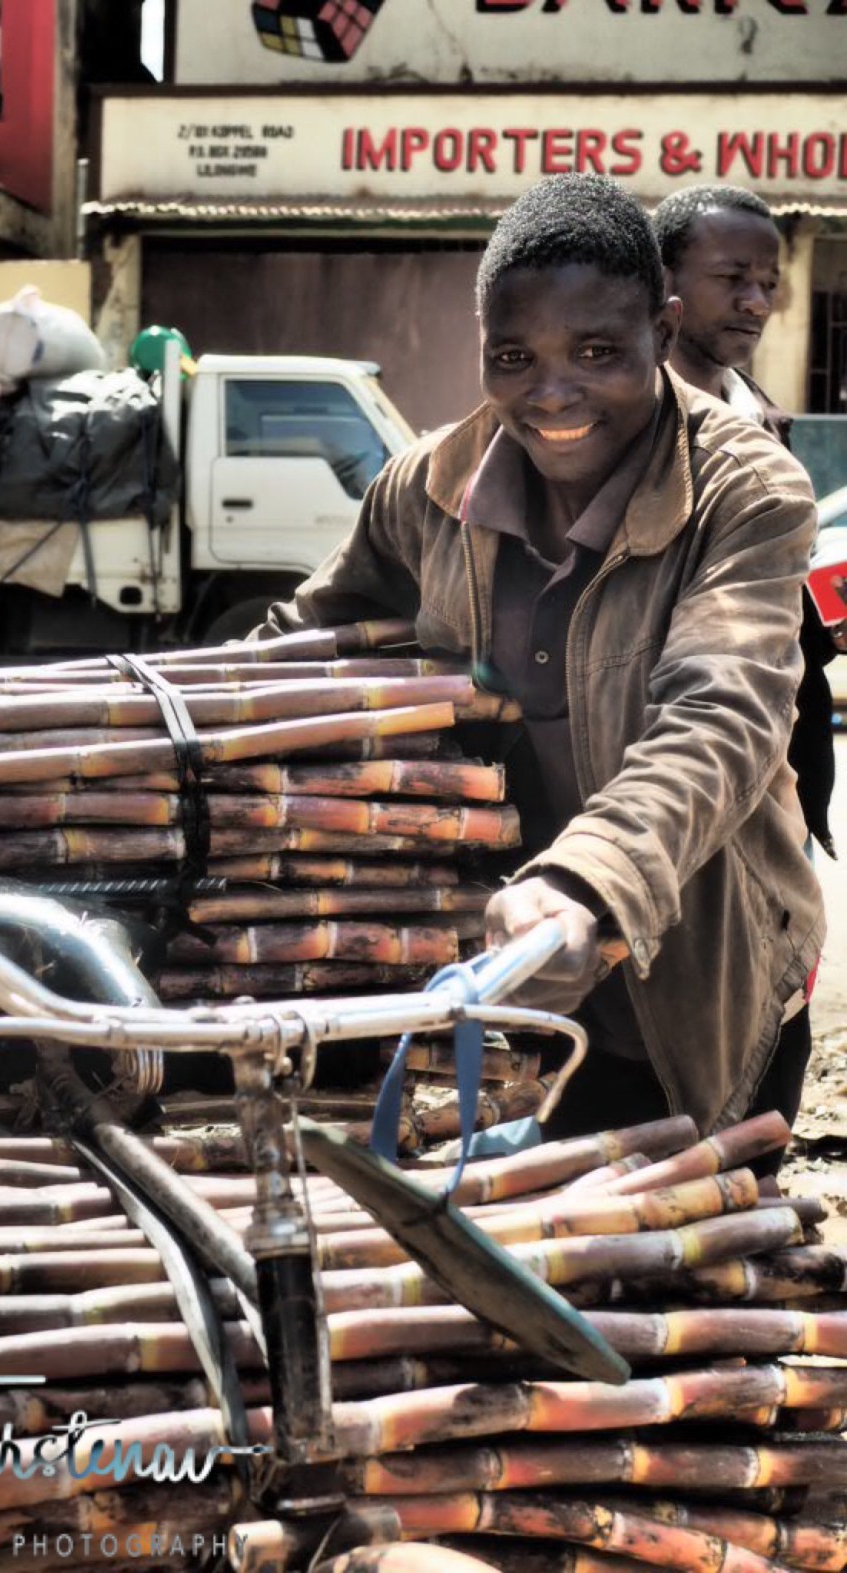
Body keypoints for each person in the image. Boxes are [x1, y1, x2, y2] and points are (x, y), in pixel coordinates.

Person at [257, 174, 825, 1142]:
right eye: (513, 357)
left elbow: (721, 715)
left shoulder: (747, 489)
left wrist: (584, 885)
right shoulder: (428, 486)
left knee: (689, 1256)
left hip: (693, 972)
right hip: (510, 989)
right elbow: (313, 641)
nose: (551, 393)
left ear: (662, 325)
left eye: (598, 352)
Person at [652, 182, 839, 859]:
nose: (757, 301)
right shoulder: (621, 426)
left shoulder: (761, 422)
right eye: (732, 278)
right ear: (663, 279)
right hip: (671, 771)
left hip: (779, 770)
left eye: (767, 281)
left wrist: (826, 623)